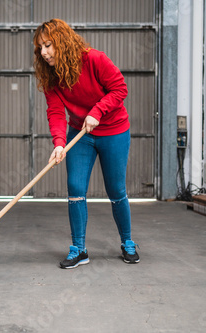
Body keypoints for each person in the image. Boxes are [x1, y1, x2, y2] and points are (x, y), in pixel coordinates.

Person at [33, 18, 139, 269]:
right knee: (75, 187)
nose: (44, 52)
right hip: (80, 133)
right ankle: (79, 249)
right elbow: (56, 111)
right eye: (40, 48)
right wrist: (59, 143)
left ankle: (127, 242)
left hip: (114, 130)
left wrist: (98, 111)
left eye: (48, 45)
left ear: (63, 42)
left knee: (116, 190)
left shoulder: (95, 59)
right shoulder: (51, 76)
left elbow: (119, 89)